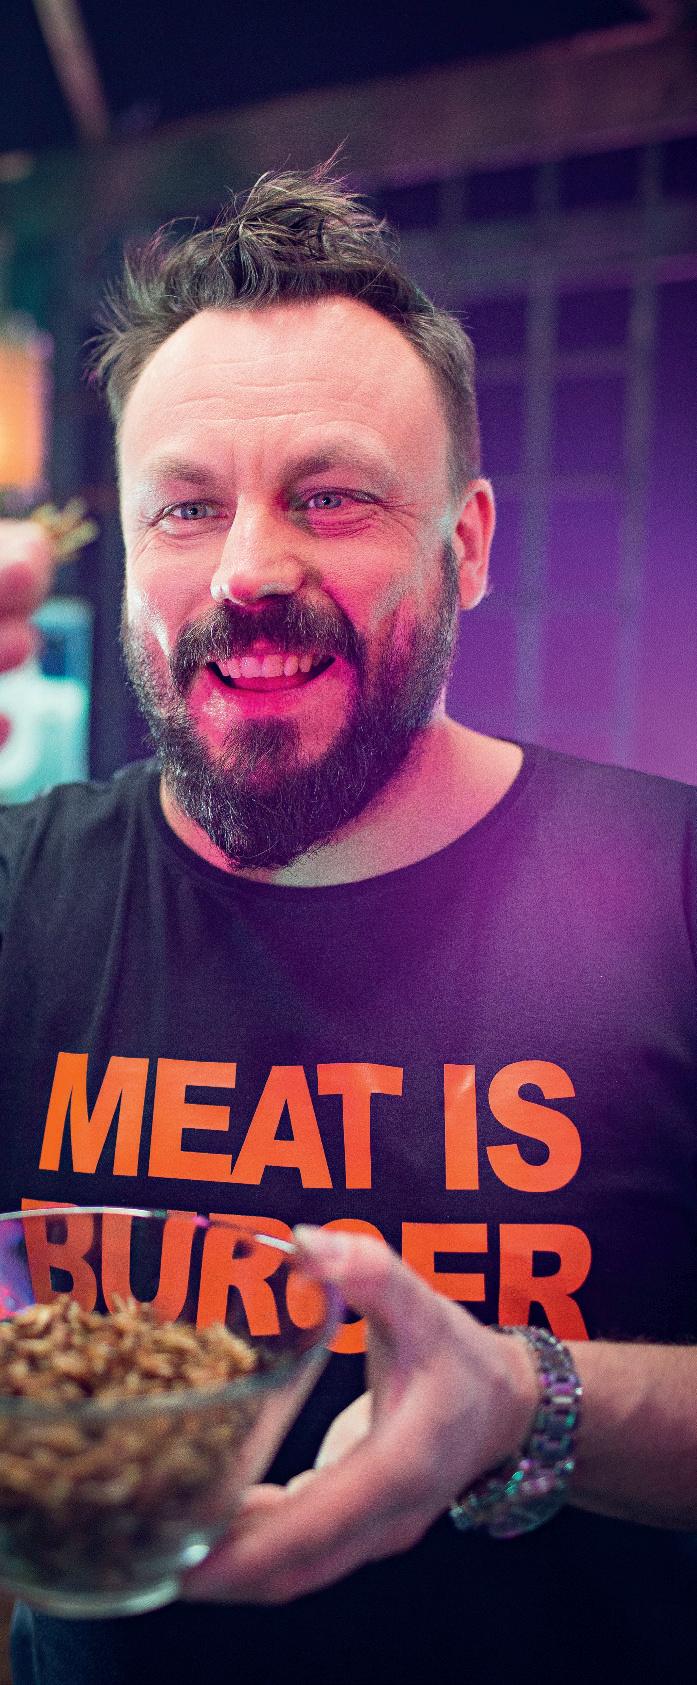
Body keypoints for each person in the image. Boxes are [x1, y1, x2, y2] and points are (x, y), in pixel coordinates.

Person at [1, 161, 696, 1685]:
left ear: (468, 542)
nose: (250, 569)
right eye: (187, 507)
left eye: (332, 497)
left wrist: (526, 1402)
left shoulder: (672, 887)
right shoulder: (19, 895)